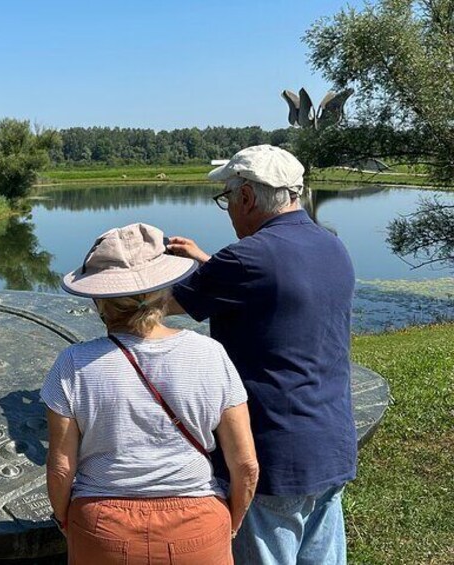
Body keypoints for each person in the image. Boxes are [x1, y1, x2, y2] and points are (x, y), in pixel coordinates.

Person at [166, 145, 357, 565]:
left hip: (271, 458)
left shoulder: (245, 259)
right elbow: (274, 282)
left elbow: (156, 305)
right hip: (330, 445)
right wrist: (206, 261)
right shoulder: (331, 246)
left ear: (248, 197)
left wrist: (117, 272)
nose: (229, 209)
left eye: (228, 199)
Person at [42, 222, 259, 565]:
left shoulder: (72, 363)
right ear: (164, 289)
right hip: (198, 523)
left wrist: (65, 521)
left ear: (99, 298)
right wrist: (230, 523)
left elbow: (60, 466)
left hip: (102, 526)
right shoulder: (210, 354)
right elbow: (245, 464)